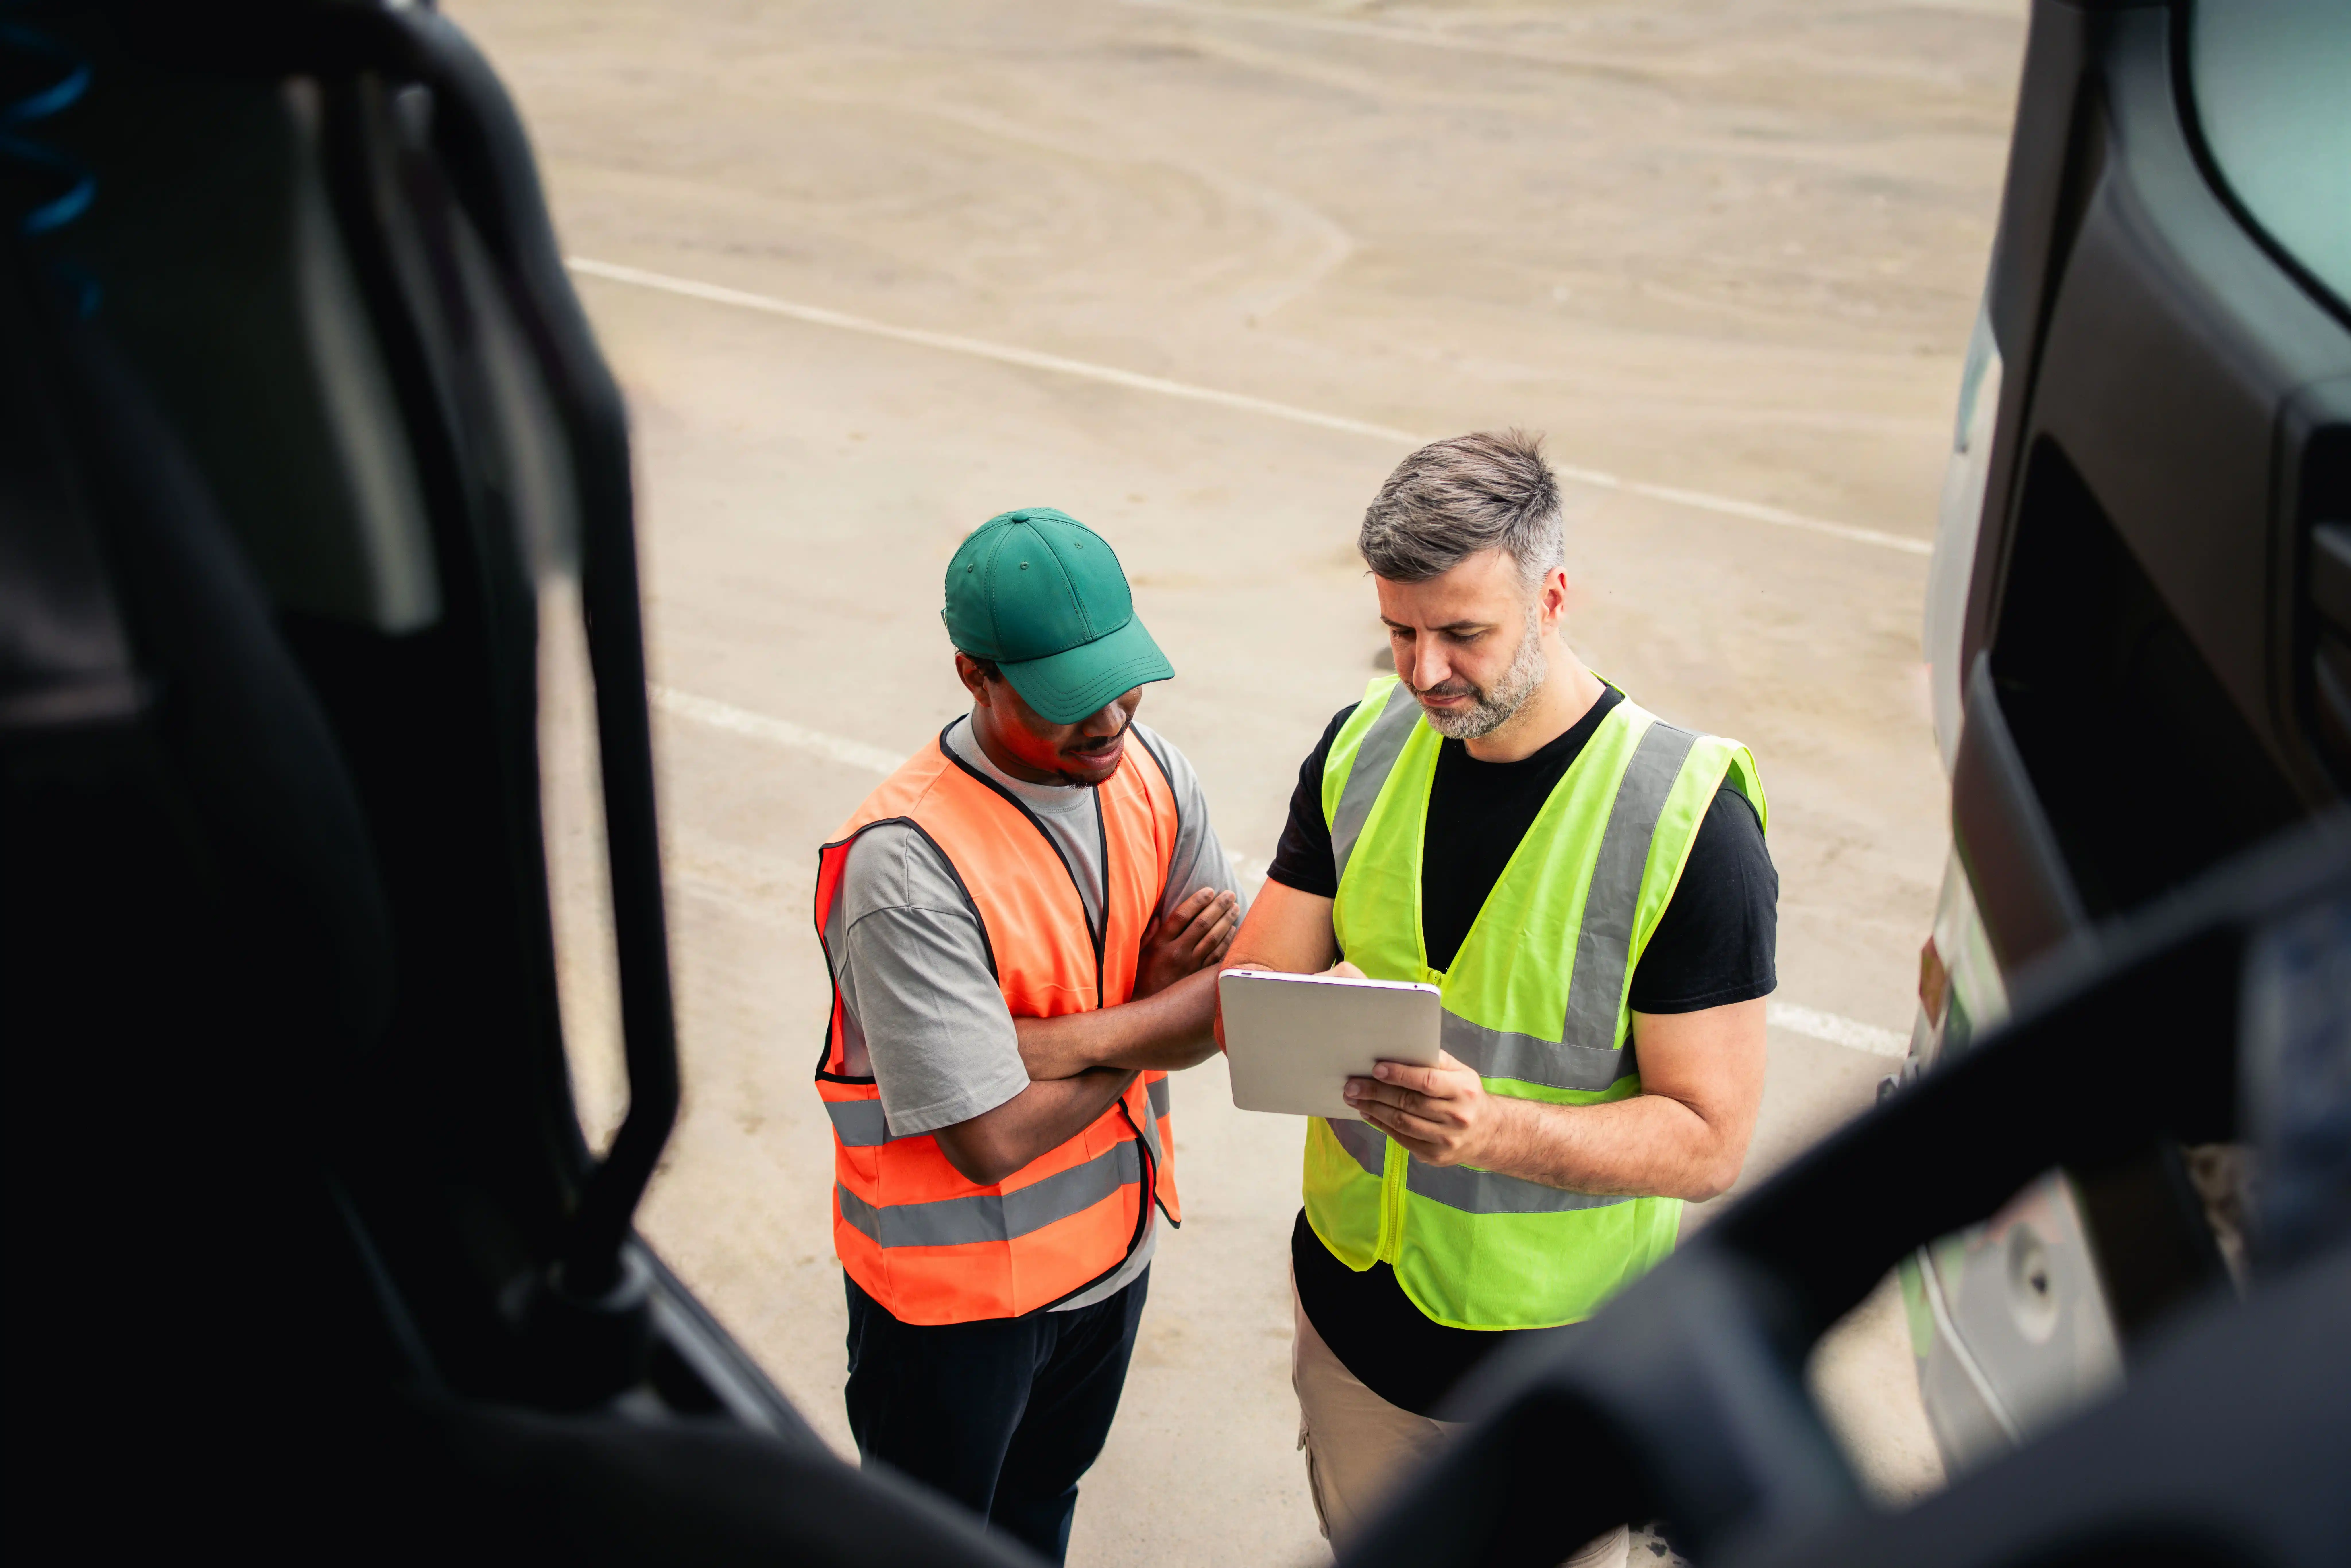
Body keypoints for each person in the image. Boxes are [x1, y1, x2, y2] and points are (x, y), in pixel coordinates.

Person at [1223, 431, 1776, 1563]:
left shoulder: (1683, 820)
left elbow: (1708, 1143)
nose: (1423, 671)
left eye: (1462, 632)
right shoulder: (1363, 746)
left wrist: (1490, 1131)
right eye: (1398, 630)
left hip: (1554, 1383)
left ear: (1552, 595)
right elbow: (1255, 983)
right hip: (1353, 1344)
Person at [812, 507, 1242, 1565]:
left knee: (1042, 1513)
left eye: (1121, 680)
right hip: (955, 1311)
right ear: (974, 674)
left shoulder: (1151, 774)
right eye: (1064, 700)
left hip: (1111, 1263)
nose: (1107, 720)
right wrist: (1154, 1008)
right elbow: (988, 1140)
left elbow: (1228, 1002)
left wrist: (1046, 1045)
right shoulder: (906, 864)